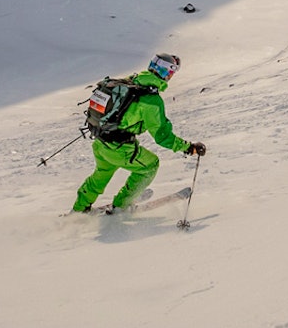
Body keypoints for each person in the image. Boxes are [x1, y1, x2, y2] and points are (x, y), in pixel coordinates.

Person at [72, 52, 206, 213]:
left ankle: (80, 207)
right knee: (150, 166)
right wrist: (188, 147)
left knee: (102, 172)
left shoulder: (130, 81)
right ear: (167, 73)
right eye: (171, 73)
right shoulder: (151, 100)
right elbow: (162, 136)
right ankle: (121, 206)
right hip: (120, 148)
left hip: (101, 142)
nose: (170, 76)